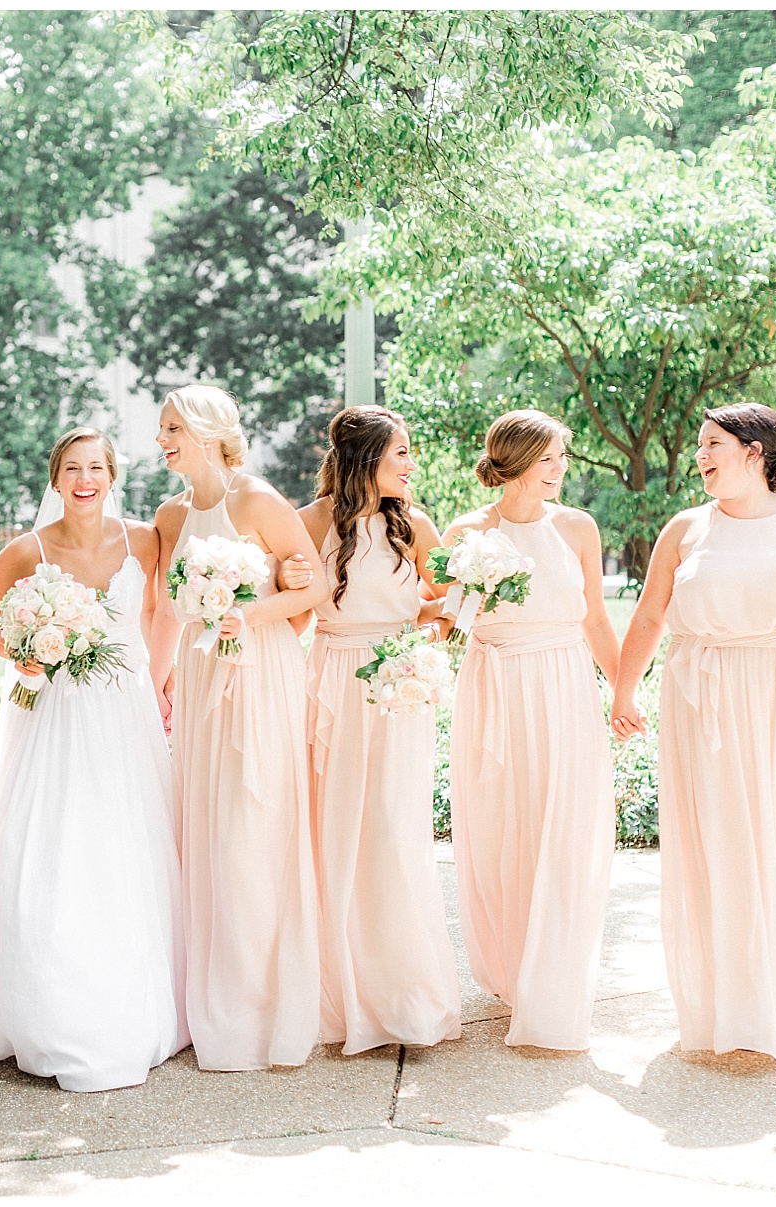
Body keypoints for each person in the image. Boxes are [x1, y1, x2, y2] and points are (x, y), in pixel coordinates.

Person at [610, 403, 776, 1061]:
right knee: (722, 841)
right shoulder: (686, 528)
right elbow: (650, 614)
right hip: (708, 697)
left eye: (712, 443)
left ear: (755, 452)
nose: (701, 456)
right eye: (700, 445)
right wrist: (624, 690)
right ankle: (733, 995)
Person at [0, 428, 187, 1091]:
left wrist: (161, 681)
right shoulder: (26, 550)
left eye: (96, 468)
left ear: (112, 476)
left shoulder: (144, 540)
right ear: (55, 479)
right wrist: (23, 652)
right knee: (53, 846)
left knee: (126, 845)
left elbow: (162, 609)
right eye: (72, 468)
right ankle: (50, 1007)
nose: (85, 479)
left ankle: (133, 998)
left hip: (123, 713)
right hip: (53, 714)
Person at [150, 384, 329, 1071]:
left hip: (259, 667)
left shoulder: (256, 499)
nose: (162, 440)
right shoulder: (170, 514)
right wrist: (158, 679)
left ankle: (264, 1001)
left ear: (205, 430)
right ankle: (214, 993)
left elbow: (314, 588)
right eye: (162, 429)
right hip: (201, 673)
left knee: (254, 816)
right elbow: (167, 609)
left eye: (172, 428)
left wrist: (247, 614)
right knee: (207, 819)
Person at [444, 409, 620, 1051]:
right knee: (500, 823)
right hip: (493, 686)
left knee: (566, 824)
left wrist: (624, 690)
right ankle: (513, 965)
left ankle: (557, 971)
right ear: (516, 462)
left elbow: (595, 618)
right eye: (549, 458)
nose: (561, 468)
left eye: (562, 457)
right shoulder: (467, 532)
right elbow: (446, 620)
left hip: (564, 684)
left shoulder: (577, 527)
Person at [297, 406, 462, 1054]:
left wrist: (424, 641)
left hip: (399, 685)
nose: (410, 465)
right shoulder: (311, 522)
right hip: (334, 680)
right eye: (401, 453)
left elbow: (449, 600)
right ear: (365, 458)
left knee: (395, 828)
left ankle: (404, 995)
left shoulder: (414, 524)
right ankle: (339, 995)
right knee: (336, 829)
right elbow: (293, 611)